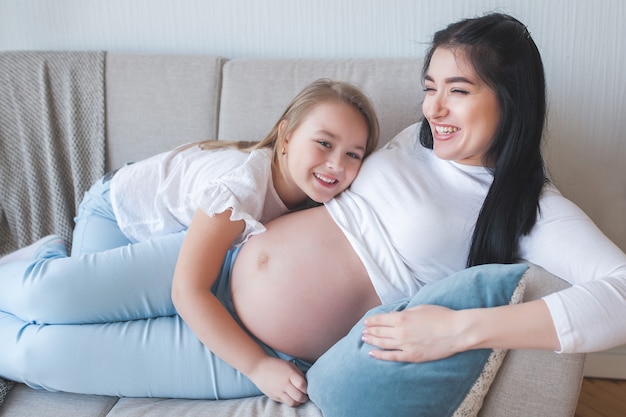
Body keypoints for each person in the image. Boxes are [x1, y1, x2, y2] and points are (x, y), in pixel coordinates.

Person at [1, 11, 625, 407]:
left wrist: (462, 329)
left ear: (511, 100)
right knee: (44, 299)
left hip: (270, 356)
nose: (435, 109)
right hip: (224, 256)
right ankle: (47, 256)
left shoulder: (531, 209)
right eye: (430, 87)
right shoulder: (413, 139)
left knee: (39, 357)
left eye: (458, 92)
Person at [0, 78, 379, 406]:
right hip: (120, 214)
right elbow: (188, 291)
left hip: (177, 234)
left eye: (353, 155)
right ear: (286, 135)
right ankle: (45, 256)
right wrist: (257, 366)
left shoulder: (321, 202)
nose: (336, 165)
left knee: (83, 333)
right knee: (67, 313)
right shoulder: (239, 188)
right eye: (324, 143)